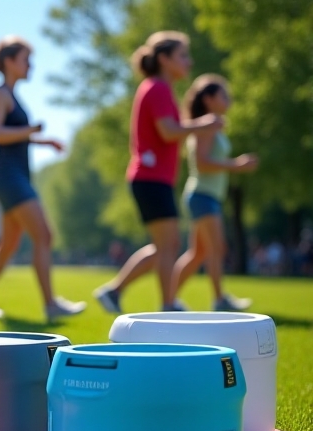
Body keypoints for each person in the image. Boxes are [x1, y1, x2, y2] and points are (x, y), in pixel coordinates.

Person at [94, 31, 224, 314]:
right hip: (150, 178)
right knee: (168, 244)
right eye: (183, 56)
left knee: (166, 244)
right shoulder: (158, 88)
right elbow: (168, 132)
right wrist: (204, 124)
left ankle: (115, 291)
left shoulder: (158, 88)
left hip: (153, 179)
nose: (188, 62)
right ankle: (167, 306)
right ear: (164, 59)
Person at [0, 36, 86, 322]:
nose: (30, 65)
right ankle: (50, 304)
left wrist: (42, 140)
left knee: (9, 245)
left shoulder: (13, 95)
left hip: (17, 175)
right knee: (44, 235)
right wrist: (31, 130)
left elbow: (16, 137)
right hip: (10, 177)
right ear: (9, 62)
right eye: (26, 59)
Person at [171, 74, 258, 311]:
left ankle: (169, 301)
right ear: (209, 99)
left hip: (206, 196)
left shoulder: (213, 124)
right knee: (216, 247)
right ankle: (219, 300)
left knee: (198, 252)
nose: (228, 99)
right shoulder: (208, 124)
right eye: (224, 95)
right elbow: (202, 162)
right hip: (203, 195)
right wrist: (236, 165)